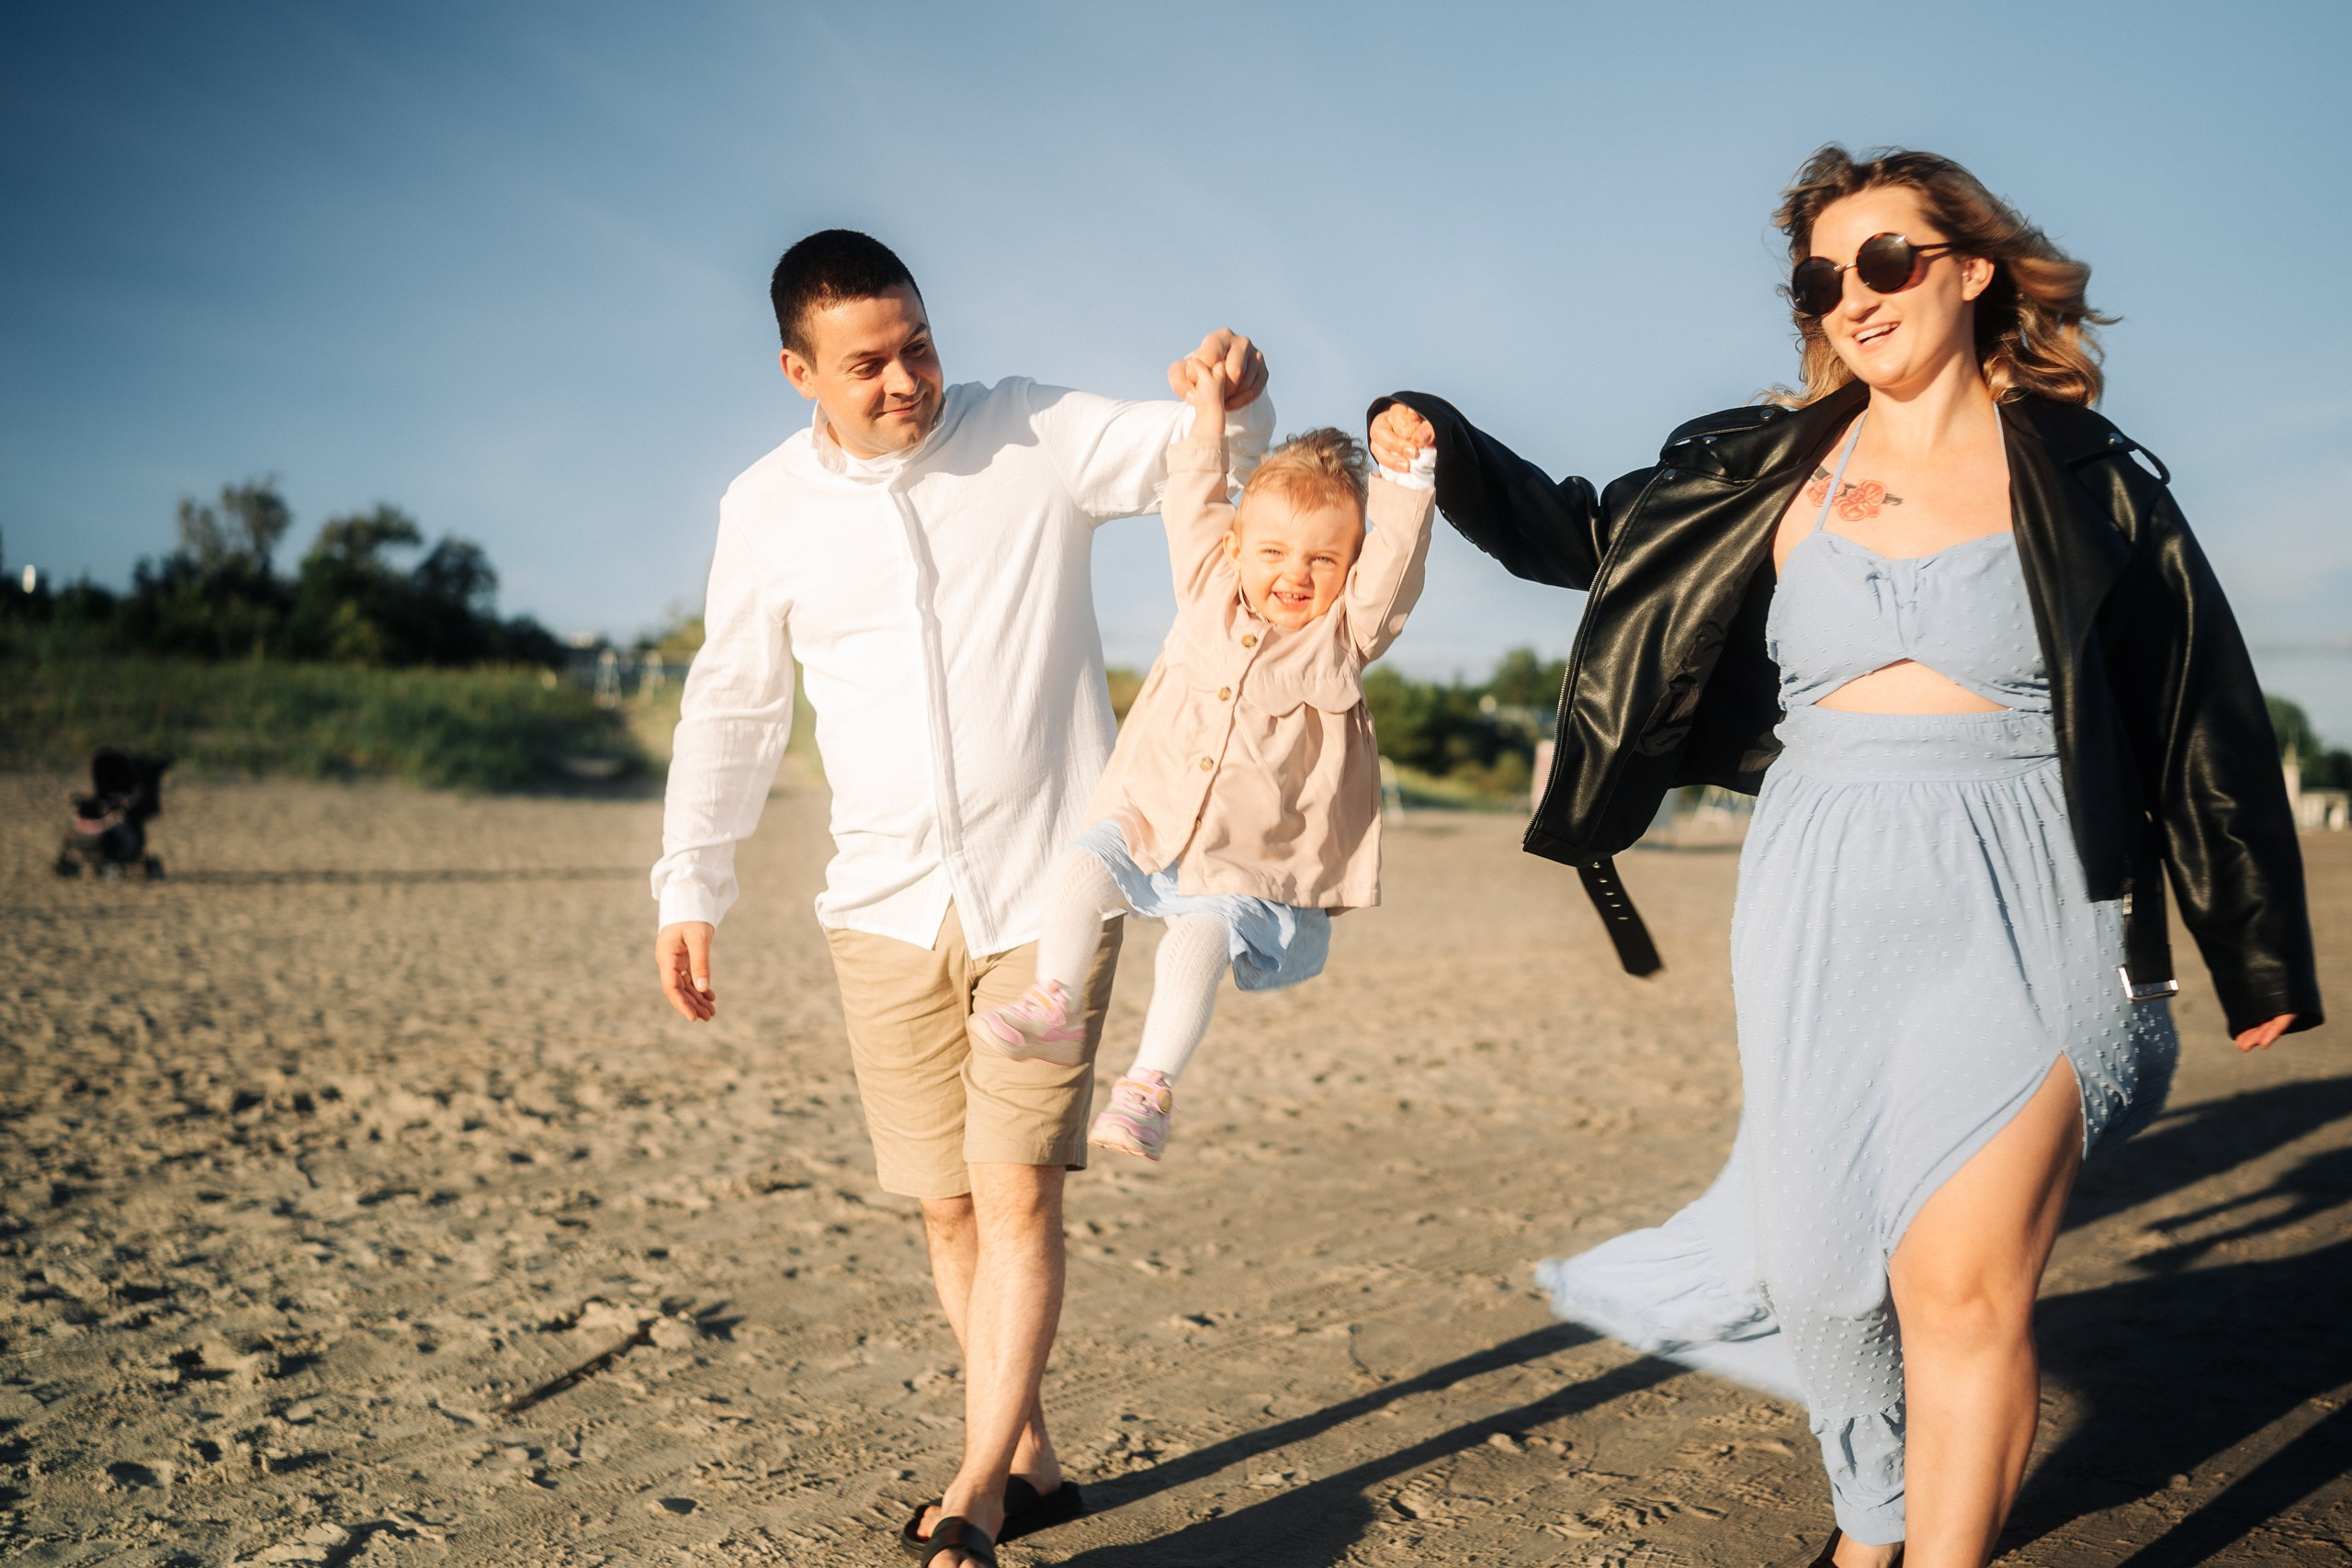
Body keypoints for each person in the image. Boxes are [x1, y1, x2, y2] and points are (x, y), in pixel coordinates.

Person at [1367, 147, 2322, 1568]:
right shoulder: (1765, 466)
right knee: (1818, 1278)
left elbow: (2201, 702)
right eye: (1824, 277)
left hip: (2033, 895)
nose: (1853, 296)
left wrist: (2256, 948)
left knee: (1958, 1286)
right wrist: (1440, 442)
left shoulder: (2088, 478)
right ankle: (1871, 1520)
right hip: (1818, 894)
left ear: (1974, 268)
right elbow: (1581, 533)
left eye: (1886, 259)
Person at [649, 228, 1272, 1568]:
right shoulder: (764, 508)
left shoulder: (1031, 431)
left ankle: (976, 1494)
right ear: (799, 372)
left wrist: (1236, 397)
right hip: (880, 908)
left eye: (918, 345)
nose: (905, 380)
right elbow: (735, 705)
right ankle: (1031, 1457)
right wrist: (692, 880)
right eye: (867, 363)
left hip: (1052, 890)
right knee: (946, 1205)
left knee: (1017, 1192)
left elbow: (1195, 454)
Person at [969, 356, 1436, 1162]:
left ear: (1350, 569)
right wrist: (1209, 409)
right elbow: (1194, 488)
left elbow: (1396, 562)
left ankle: (1147, 1089)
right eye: (1274, 551)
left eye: (1323, 561)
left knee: (1192, 945)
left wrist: (1408, 474)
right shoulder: (1206, 587)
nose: (1295, 573)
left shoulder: (1343, 638)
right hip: (1152, 815)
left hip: (1250, 861)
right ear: (1237, 546)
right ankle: (1054, 1003)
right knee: (1078, 868)